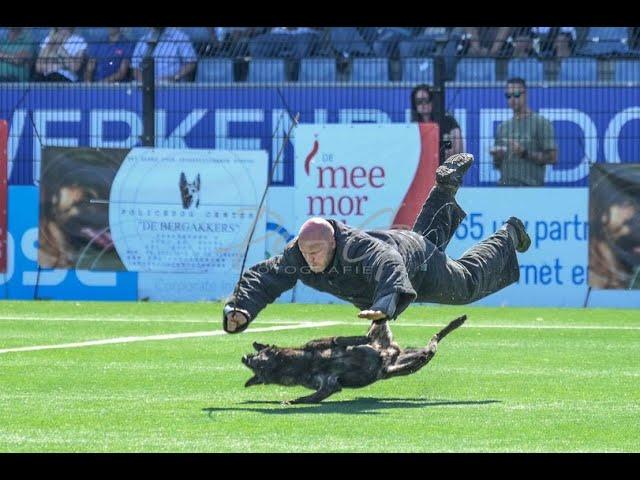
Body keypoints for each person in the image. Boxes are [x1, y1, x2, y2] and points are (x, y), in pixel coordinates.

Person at [223, 153, 532, 334]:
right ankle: (445, 187)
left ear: (333, 242)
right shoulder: (301, 253)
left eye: (316, 253)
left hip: (414, 263)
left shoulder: (358, 249)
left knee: (466, 285)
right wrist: (240, 308)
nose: (311, 260)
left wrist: (384, 307)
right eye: (306, 254)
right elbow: (266, 275)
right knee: (428, 241)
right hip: (408, 243)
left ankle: (509, 234)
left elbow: (390, 267)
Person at [490, 77, 557, 187]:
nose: (512, 99)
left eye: (516, 95)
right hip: (505, 188)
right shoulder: (502, 127)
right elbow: (497, 165)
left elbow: (552, 158)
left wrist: (525, 153)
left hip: (530, 188)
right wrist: (498, 157)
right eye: (508, 96)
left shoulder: (541, 123)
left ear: (525, 94)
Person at [410, 84, 463, 165]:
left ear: (433, 101)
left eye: (427, 100)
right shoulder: (414, 126)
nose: (423, 104)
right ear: (415, 105)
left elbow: (455, 149)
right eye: (419, 101)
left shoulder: (448, 121)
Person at [131, 27, 197, 82]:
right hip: (148, 88)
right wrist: (144, 82)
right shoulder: (142, 41)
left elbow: (191, 63)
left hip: (174, 86)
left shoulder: (180, 37)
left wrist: (175, 77)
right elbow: (136, 68)